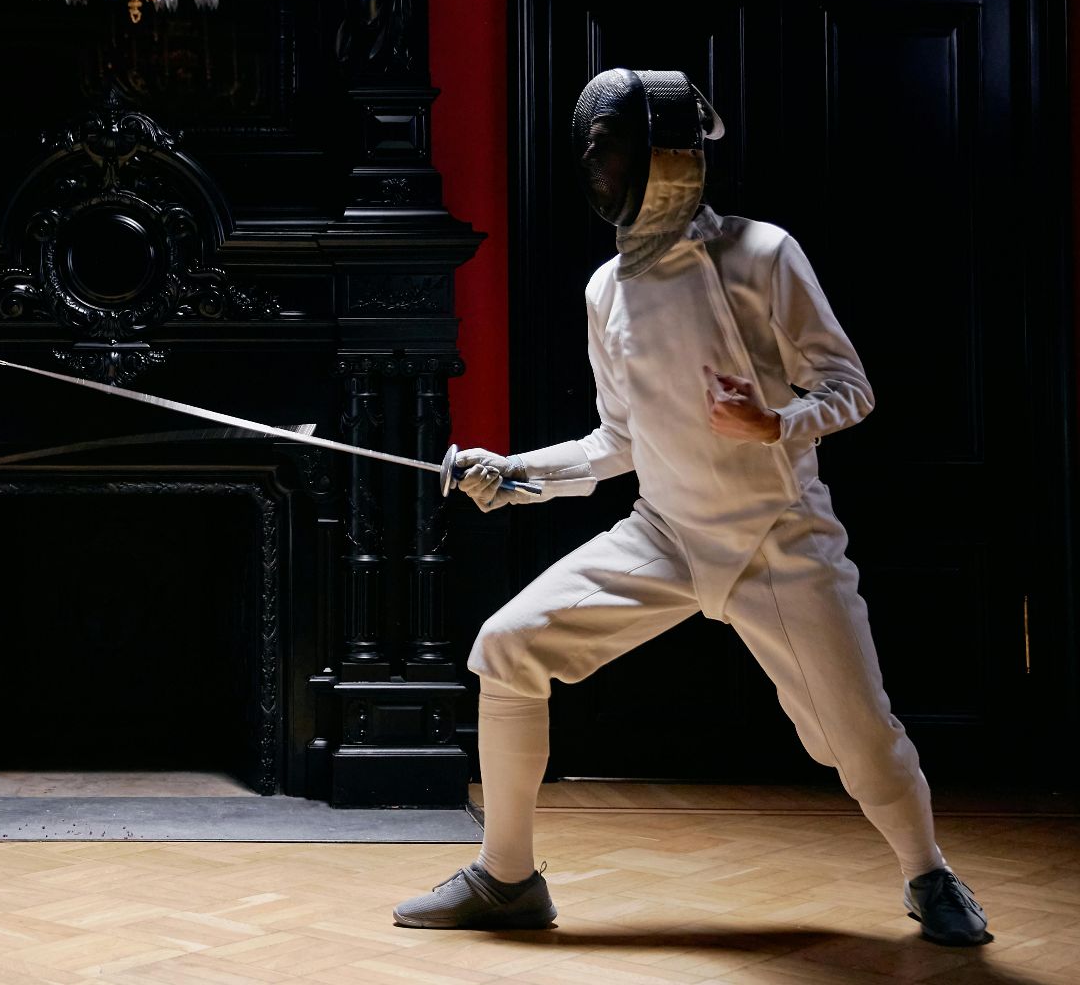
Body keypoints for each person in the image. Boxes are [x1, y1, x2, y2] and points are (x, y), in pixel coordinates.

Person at [391, 70, 989, 946]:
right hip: (665, 533)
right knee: (508, 646)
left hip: (777, 535)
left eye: (612, 142)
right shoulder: (606, 290)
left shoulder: (762, 254)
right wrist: (513, 471)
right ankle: (507, 878)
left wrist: (773, 421)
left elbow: (851, 387)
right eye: (589, 145)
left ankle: (928, 873)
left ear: (667, 150)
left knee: (857, 740)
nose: (594, 160)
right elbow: (615, 444)